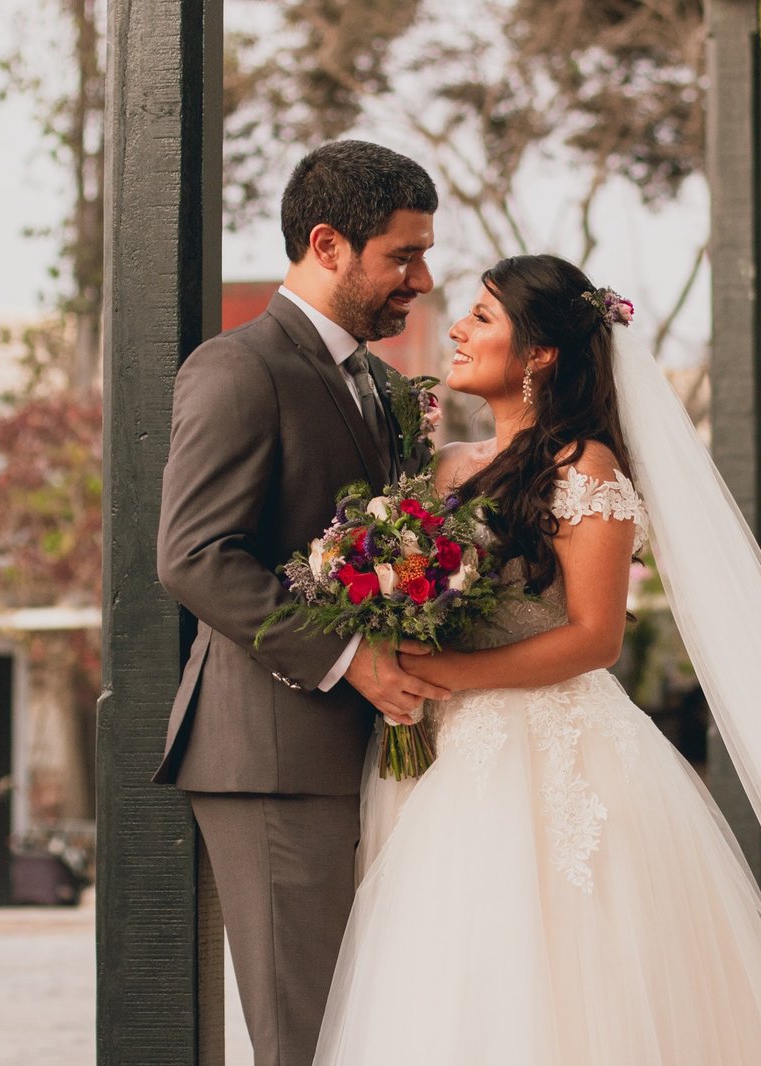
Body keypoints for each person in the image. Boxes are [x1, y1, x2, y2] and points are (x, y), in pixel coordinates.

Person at [310, 254, 761, 1065]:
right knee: (447, 969)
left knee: (563, 976)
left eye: (483, 318)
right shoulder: (444, 467)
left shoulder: (585, 468)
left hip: (552, 752)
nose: (456, 328)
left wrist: (450, 674)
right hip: (442, 754)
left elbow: (596, 636)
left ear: (542, 352)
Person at [153, 140, 450, 1066]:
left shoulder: (389, 387)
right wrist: (352, 658)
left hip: (375, 759)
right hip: (274, 759)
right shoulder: (238, 368)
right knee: (307, 1039)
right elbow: (195, 557)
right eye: (403, 256)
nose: (423, 279)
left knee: (375, 1027)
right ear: (329, 245)